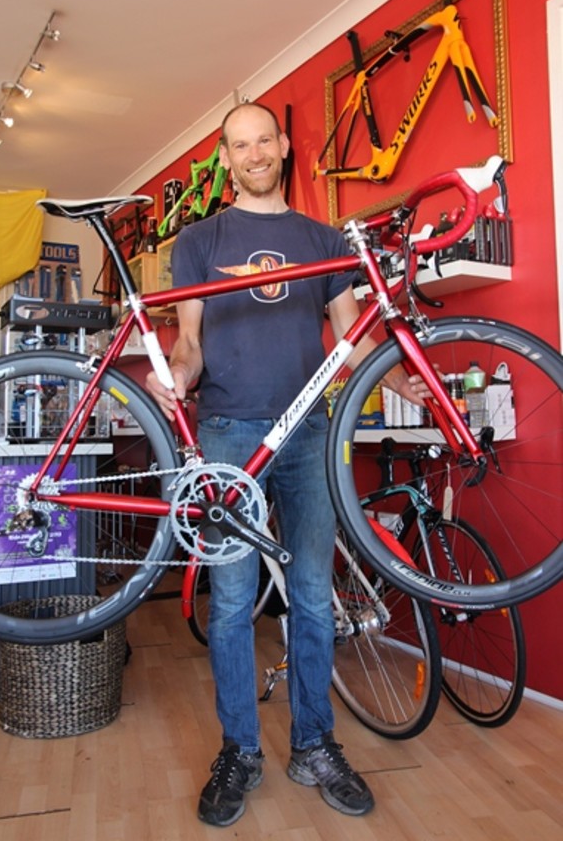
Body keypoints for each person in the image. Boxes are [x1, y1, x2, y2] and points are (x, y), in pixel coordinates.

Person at [147, 102, 423, 828]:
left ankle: (315, 745)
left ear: (284, 145)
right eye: (239, 145)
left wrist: (399, 379)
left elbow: (351, 338)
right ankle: (240, 749)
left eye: (263, 140)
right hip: (230, 434)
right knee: (234, 601)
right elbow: (190, 344)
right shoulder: (200, 240)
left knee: (310, 593)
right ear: (228, 159)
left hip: (310, 434)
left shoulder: (322, 240)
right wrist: (176, 377)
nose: (254, 153)